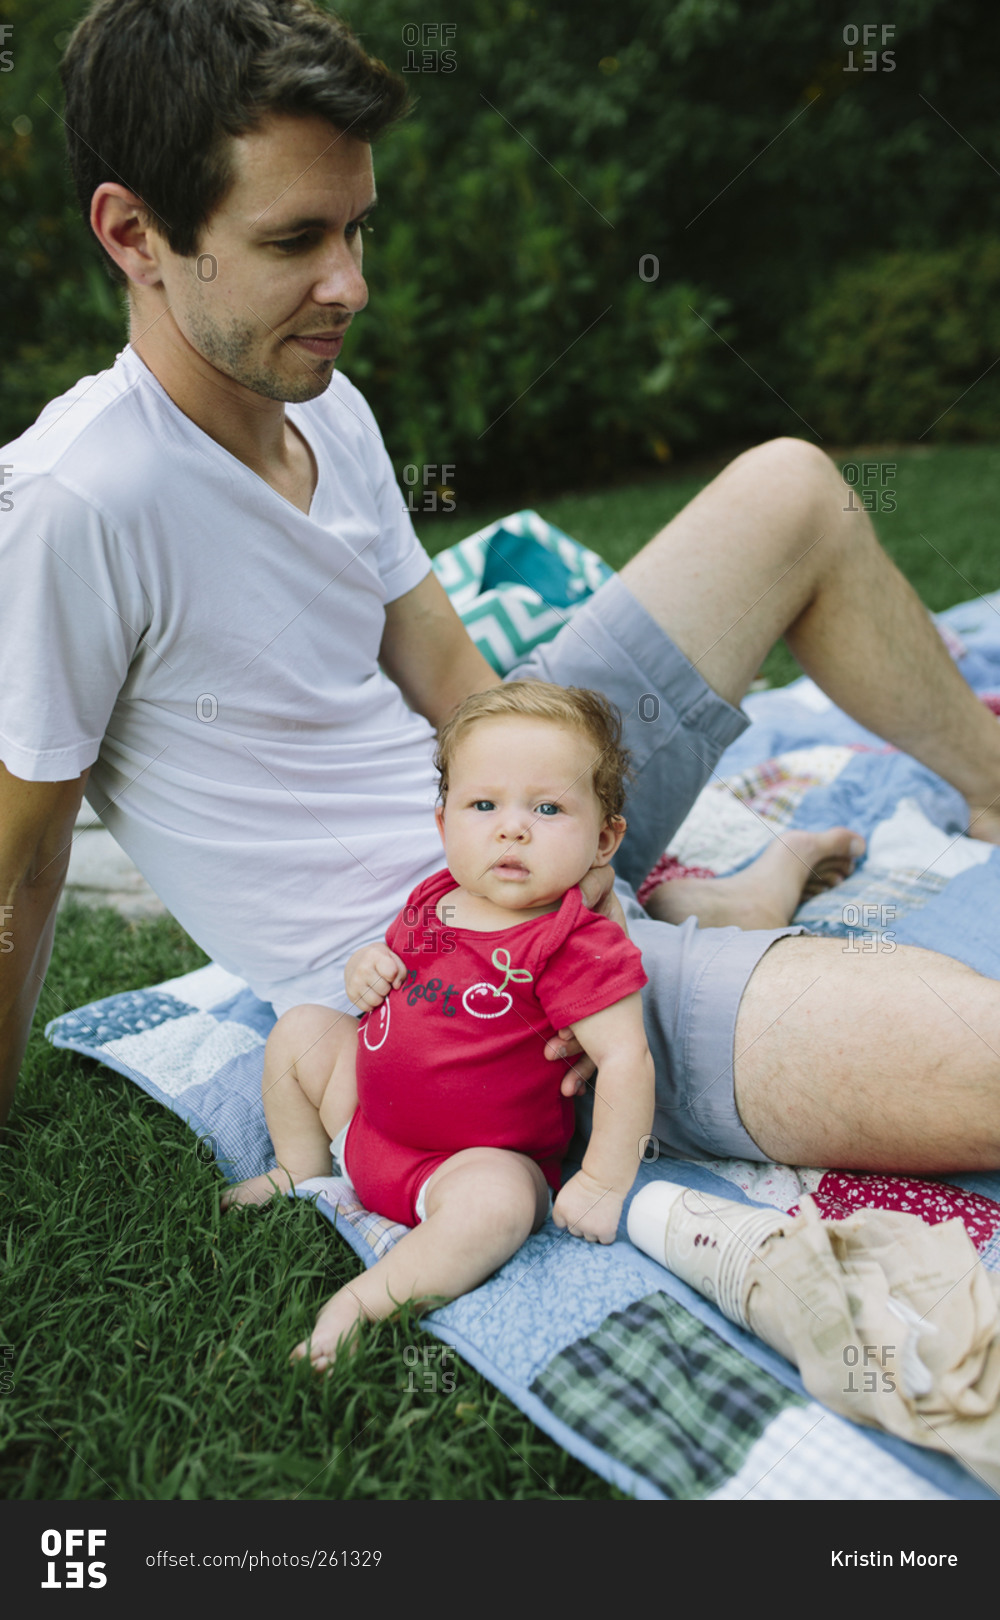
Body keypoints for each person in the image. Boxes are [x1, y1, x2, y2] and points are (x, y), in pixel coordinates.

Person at [3, 0, 1000, 1181]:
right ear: (132, 234)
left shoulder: (321, 401)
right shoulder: (75, 502)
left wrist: (566, 829)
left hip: (511, 811)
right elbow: (23, 855)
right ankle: (699, 923)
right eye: (294, 241)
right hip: (463, 991)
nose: (350, 286)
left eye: (359, 230)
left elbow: (449, 673)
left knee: (790, 488)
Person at [232, 682, 655, 1367]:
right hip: (365, 1123)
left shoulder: (574, 945)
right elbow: (399, 968)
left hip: (464, 1164)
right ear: (443, 823)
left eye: (548, 808)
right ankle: (301, 1166)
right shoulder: (437, 900)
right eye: (483, 805)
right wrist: (366, 966)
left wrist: (604, 1181)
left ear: (604, 838)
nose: (511, 827)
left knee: (500, 1204)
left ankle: (363, 1301)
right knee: (302, 1028)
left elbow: (626, 1059)